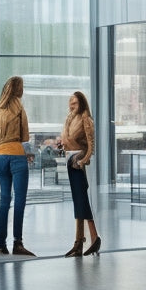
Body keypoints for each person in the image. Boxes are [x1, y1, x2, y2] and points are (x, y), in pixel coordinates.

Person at [0, 76, 36, 257]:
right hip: (16, 154)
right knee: (19, 200)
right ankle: (18, 243)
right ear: (16, 89)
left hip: (0, 157)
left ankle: (0, 245)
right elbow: (25, 136)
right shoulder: (19, 108)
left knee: (4, 201)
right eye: (21, 87)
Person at [60, 91, 101, 256]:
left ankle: (88, 238)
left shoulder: (86, 119)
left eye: (75, 102)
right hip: (70, 159)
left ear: (82, 103)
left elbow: (91, 144)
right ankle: (84, 239)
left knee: (81, 200)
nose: (71, 105)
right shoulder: (69, 119)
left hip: (78, 161)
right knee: (79, 200)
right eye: (70, 102)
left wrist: (83, 160)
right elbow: (68, 140)